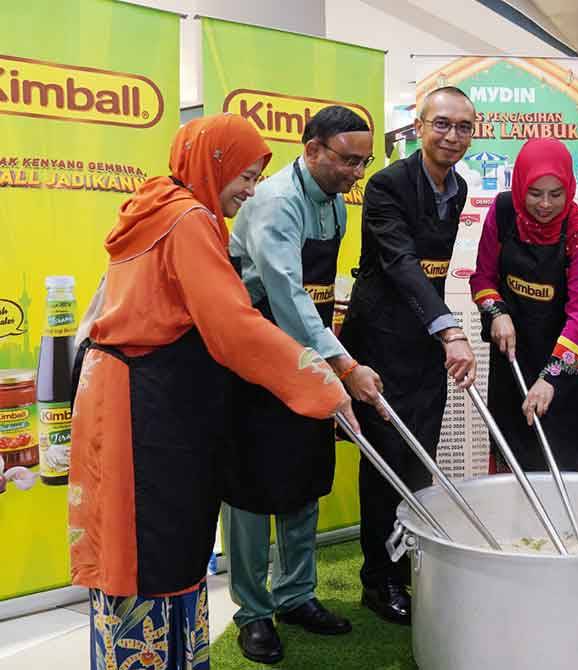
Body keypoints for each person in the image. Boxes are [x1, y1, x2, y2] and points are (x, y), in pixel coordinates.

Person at [67, 114, 353, 670]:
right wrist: (323, 383)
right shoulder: (188, 219)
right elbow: (233, 325)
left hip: (135, 396)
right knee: (154, 545)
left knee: (164, 540)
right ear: (212, 163)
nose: (251, 191)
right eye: (244, 175)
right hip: (147, 410)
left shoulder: (156, 205)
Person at [222, 106, 385, 665]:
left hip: (305, 358)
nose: (355, 173)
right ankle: (253, 612)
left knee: (303, 476)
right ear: (312, 148)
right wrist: (343, 366)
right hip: (254, 359)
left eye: (363, 161)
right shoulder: (275, 203)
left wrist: (328, 358)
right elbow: (287, 298)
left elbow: (318, 296)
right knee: (248, 491)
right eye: (346, 160)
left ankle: (295, 595)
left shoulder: (335, 200)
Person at [339, 86, 477, 625]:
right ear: (418, 127)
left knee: (421, 461)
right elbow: (399, 264)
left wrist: (438, 333)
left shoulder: (459, 187)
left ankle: (410, 564)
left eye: (463, 126)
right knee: (384, 464)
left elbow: (432, 273)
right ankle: (379, 580)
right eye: (441, 124)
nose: (452, 136)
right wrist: (449, 330)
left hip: (423, 345)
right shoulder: (386, 184)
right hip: (379, 344)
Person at [469, 138, 578, 473]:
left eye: (556, 194)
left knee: (560, 464)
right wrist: (497, 313)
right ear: (520, 186)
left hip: (563, 365)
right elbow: (483, 279)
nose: (545, 204)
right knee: (512, 459)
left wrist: (551, 379)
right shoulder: (504, 212)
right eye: (535, 193)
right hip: (512, 358)